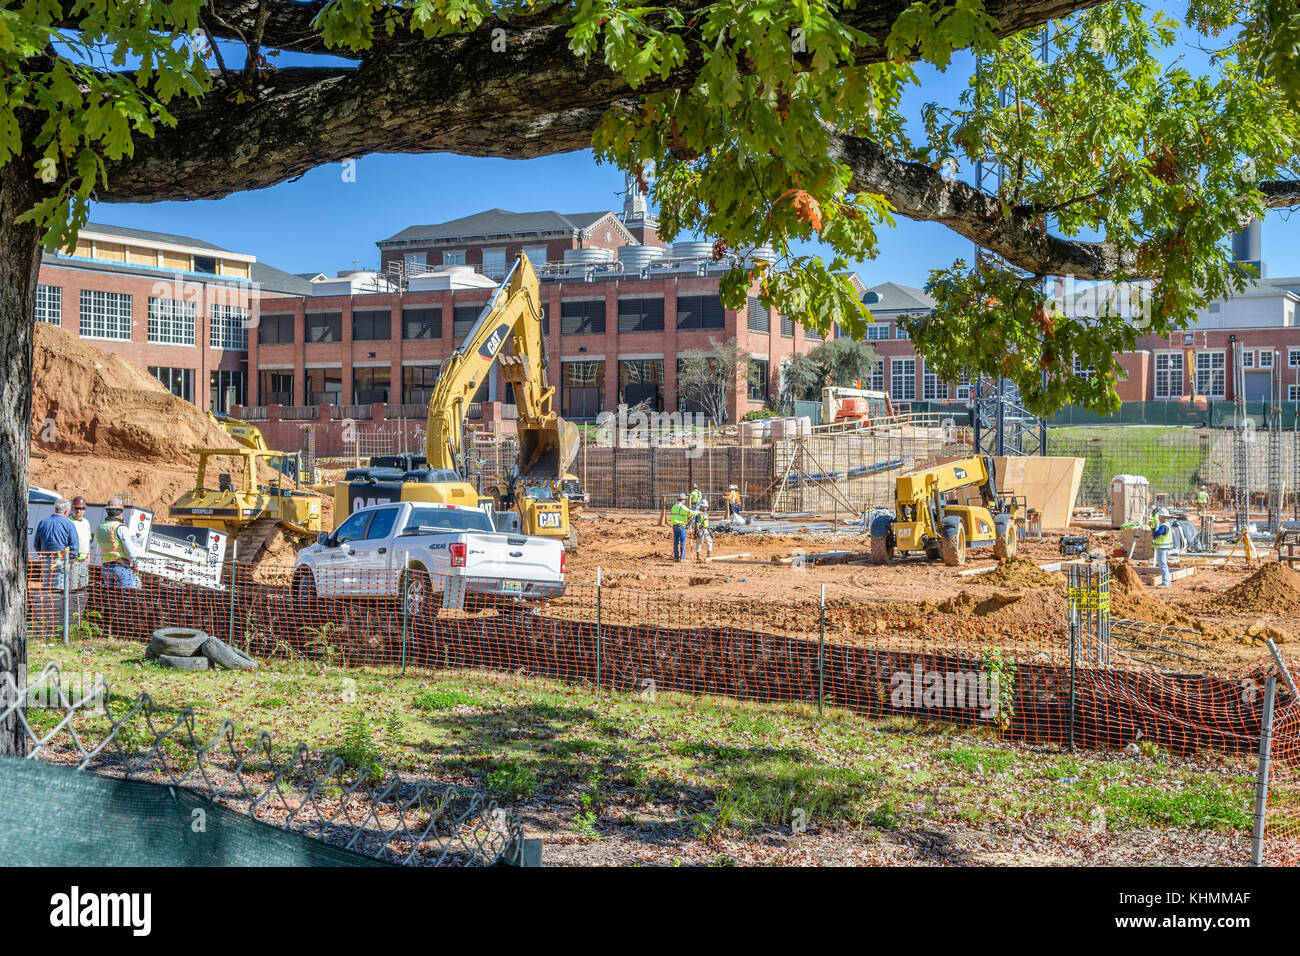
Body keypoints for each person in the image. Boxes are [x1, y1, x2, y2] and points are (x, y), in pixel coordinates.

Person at [97, 497, 141, 589]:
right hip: (121, 567)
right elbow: (129, 548)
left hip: (106, 567)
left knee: (110, 597)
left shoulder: (100, 528)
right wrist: (135, 563)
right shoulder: (120, 527)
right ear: (119, 512)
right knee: (124, 598)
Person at [33, 498, 77, 589]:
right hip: (62, 560)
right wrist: (72, 558)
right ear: (66, 511)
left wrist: (42, 555)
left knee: (46, 587)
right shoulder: (69, 524)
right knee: (59, 588)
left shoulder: (43, 523)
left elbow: (36, 544)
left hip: (46, 559)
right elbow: (74, 545)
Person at [68, 495, 92, 591]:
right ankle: (71, 605)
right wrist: (72, 559)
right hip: (73, 560)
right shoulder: (69, 522)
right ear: (72, 509)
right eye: (76, 508)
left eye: (81, 508)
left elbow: (87, 540)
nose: (79, 511)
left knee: (84, 586)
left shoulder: (86, 522)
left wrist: (88, 555)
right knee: (73, 586)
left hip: (84, 560)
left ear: (85, 510)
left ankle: (80, 605)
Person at [669, 493, 698, 562]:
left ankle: (676, 557)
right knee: (682, 541)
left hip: (674, 525)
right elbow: (690, 513)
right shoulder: (682, 507)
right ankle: (682, 558)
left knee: (676, 542)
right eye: (684, 500)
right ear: (682, 500)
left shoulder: (673, 507)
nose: (685, 501)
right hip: (680, 526)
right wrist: (697, 512)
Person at [1152, 507, 1174, 588]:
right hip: (1163, 547)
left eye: (1160, 516)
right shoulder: (1165, 524)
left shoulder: (1164, 525)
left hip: (1162, 547)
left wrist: (1155, 534)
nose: (1158, 517)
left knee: (1163, 564)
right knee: (1163, 564)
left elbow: (1160, 531)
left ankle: (1166, 582)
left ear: (1163, 517)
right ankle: (1167, 581)